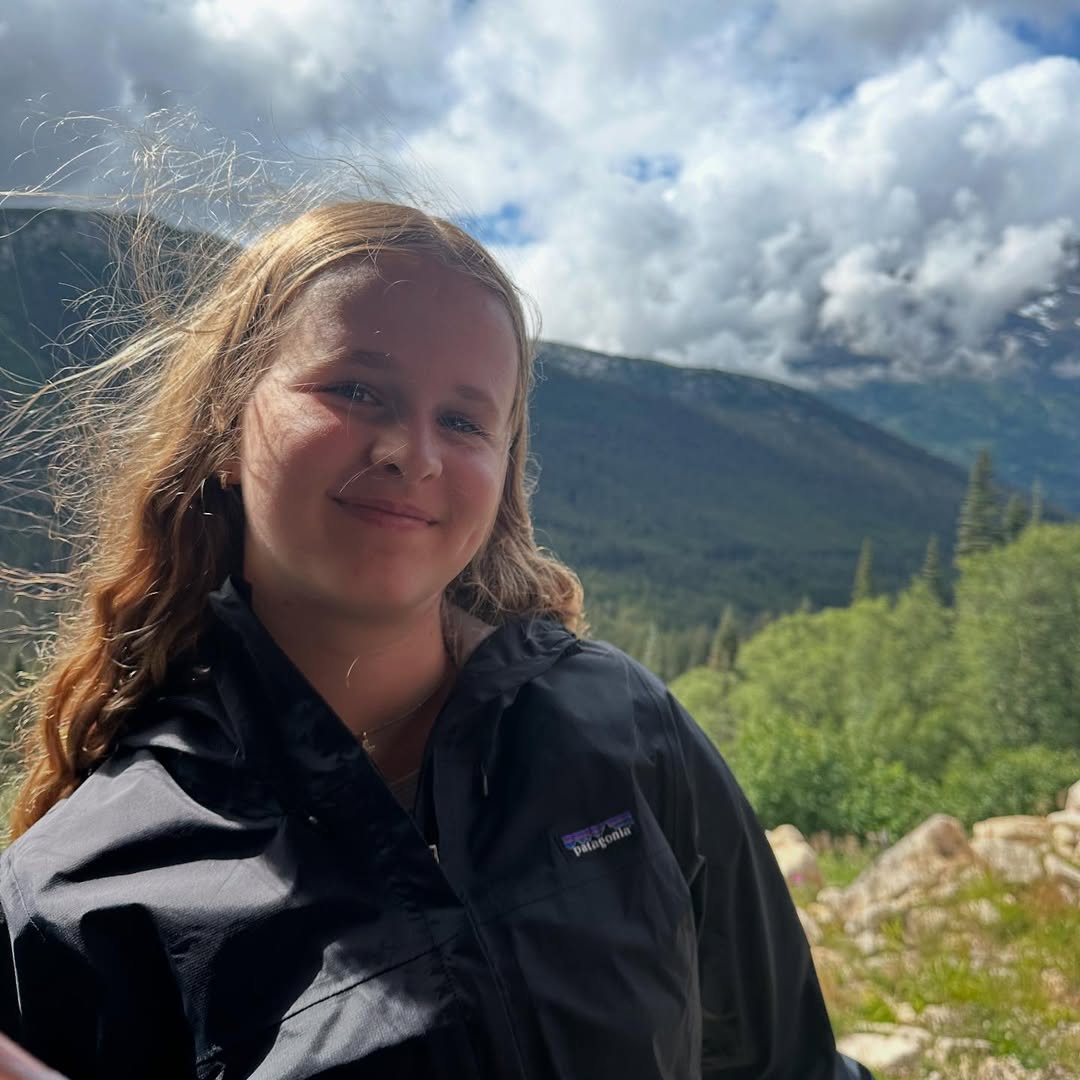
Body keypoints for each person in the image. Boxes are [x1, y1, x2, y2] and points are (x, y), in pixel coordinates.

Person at [0, 200, 872, 1078]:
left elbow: (790, 1065)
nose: (412, 453)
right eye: (355, 390)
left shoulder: (620, 728)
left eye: (463, 421)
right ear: (227, 429)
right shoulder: (80, 890)